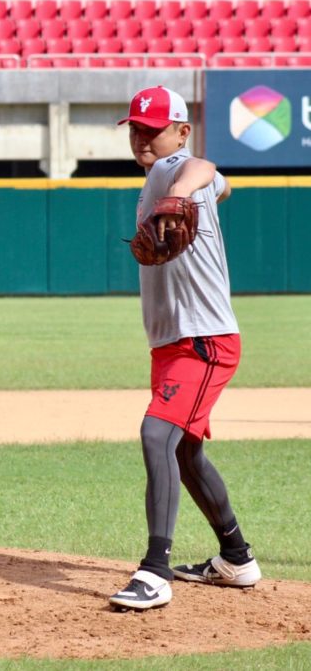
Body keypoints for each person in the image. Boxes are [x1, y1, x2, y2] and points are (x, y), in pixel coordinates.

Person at [108, 86, 260, 611]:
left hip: (204, 339)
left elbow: (203, 167)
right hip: (175, 342)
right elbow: (223, 185)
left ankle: (155, 571)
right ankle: (235, 558)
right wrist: (194, 193)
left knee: (157, 434)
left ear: (180, 130)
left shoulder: (174, 168)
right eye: (135, 129)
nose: (141, 138)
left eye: (152, 128)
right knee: (186, 451)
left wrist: (180, 193)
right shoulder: (166, 177)